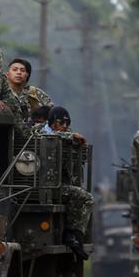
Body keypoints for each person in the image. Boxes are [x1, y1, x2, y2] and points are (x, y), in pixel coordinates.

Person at [40, 106, 93, 258]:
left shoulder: (68, 137)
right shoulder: (39, 132)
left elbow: (81, 159)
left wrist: (78, 146)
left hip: (60, 185)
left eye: (66, 123)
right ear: (51, 122)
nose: (64, 127)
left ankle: (76, 237)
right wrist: (69, 137)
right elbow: (50, 137)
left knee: (85, 198)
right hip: (42, 186)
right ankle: (73, 236)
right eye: (60, 123)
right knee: (86, 198)